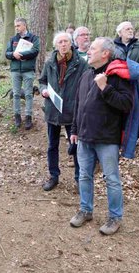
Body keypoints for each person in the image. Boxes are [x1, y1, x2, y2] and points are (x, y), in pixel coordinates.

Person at [69, 37, 134, 235]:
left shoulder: (117, 76)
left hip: (107, 138)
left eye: (93, 49)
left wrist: (106, 87)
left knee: (112, 179)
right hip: (84, 136)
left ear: (105, 53)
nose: (88, 51)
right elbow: (78, 106)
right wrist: (74, 130)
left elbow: (126, 104)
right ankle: (85, 210)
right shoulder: (86, 75)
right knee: (85, 176)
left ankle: (115, 217)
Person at [39, 32, 86, 191]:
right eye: (60, 42)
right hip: (53, 110)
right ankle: (54, 176)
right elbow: (42, 81)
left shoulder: (80, 63)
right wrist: (44, 90)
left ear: (71, 43)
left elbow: (87, 82)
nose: (63, 44)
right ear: (56, 45)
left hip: (72, 110)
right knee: (52, 145)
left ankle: (80, 178)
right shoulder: (50, 62)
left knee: (76, 145)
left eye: (66, 41)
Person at [5, 17, 40, 129]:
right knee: (16, 94)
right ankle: (17, 116)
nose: (17, 28)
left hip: (28, 70)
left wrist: (21, 54)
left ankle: (28, 117)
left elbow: (35, 51)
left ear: (24, 25)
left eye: (18, 25)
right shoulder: (13, 39)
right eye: (15, 26)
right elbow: (7, 53)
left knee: (29, 94)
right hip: (15, 70)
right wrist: (12, 55)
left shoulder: (33, 38)